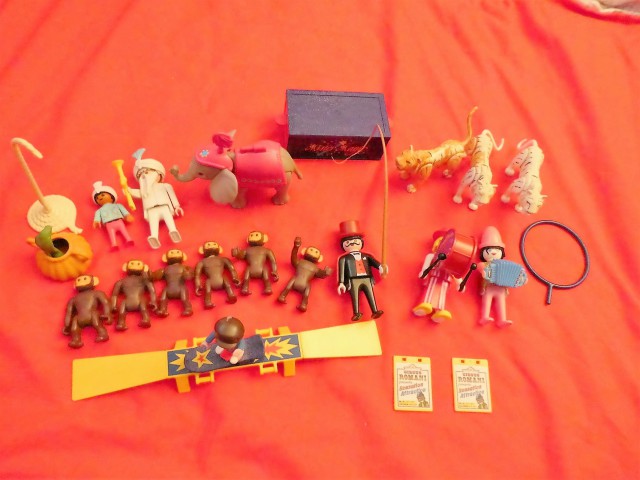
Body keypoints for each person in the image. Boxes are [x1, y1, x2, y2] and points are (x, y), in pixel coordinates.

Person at [337, 220, 386, 321]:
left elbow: (375, 263)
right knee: (354, 296)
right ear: (343, 245)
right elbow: (341, 270)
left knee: (370, 294)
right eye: (348, 242)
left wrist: (381, 267)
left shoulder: (367, 256)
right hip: (353, 280)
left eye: (356, 240)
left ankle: (375, 311)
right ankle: (356, 313)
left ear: (361, 242)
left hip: (367, 278)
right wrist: (341, 283)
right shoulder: (344, 259)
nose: (352, 243)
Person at [92, 181, 134, 249]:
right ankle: (114, 245)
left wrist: (127, 215)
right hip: (109, 224)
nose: (100, 198)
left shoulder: (118, 205)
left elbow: (124, 211)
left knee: (124, 231)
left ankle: (129, 239)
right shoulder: (99, 211)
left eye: (102, 195)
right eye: (97, 198)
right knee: (111, 234)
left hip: (119, 221)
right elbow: (97, 217)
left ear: (112, 197)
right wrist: (96, 221)